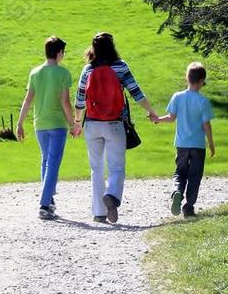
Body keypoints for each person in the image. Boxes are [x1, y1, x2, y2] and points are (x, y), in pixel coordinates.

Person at [75, 32, 158, 223]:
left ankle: (99, 212)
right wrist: (152, 112)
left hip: (92, 124)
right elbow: (136, 92)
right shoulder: (120, 66)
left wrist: (77, 123)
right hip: (115, 123)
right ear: (112, 46)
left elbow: (79, 100)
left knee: (96, 168)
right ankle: (111, 195)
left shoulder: (88, 69)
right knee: (117, 167)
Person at [16, 36, 81, 220]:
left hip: (40, 123)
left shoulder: (35, 72)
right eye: (63, 52)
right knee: (53, 163)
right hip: (57, 124)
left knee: (46, 160)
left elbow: (28, 99)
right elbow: (65, 102)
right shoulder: (63, 74)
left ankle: (49, 200)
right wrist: (73, 124)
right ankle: (44, 204)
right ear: (59, 52)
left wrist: (20, 123)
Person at [153, 62, 215, 218]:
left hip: (181, 145)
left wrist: (158, 119)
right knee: (195, 176)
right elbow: (206, 124)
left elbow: (171, 118)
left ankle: (177, 192)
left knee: (180, 173)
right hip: (198, 146)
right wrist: (211, 144)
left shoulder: (177, 97)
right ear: (201, 81)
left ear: (187, 78)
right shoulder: (203, 101)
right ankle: (188, 207)